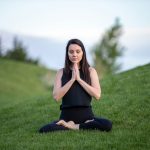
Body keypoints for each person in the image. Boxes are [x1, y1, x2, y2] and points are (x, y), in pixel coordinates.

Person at [39, 39, 112, 133]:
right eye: (71, 52)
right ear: (67, 54)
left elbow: (97, 95)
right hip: (66, 117)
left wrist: (79, 80)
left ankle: (74, 126)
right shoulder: (61, 72)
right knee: (44, 129)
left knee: (107, 124)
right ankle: (74, 125)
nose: (74, 54)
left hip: (87, 117)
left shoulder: (91, 71)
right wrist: (72, 79)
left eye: (78, 51)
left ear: (83, 53)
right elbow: (56, 97)